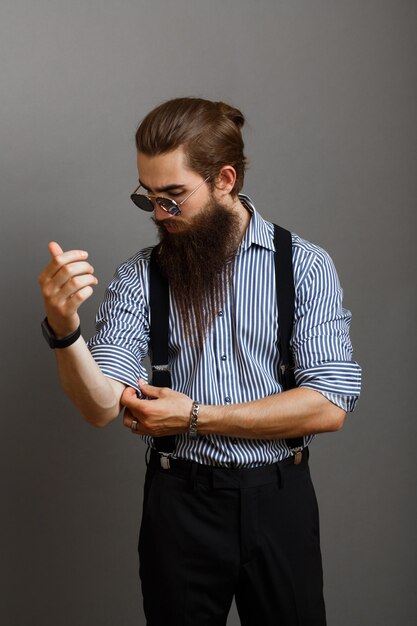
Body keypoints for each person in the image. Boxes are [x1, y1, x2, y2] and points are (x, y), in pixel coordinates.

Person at [38, 97, 361, 626]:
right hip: (180, 504)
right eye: (149, 199)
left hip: (280, 499)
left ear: (225, 180)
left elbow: (329, 406)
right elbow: (99, 407)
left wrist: (195, 417)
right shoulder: (139, 276)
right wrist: (64, 328)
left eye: (174, 197)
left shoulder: (303, 264)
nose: (161, 215)